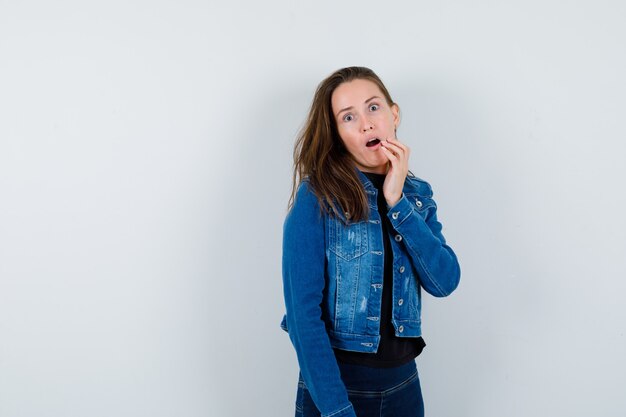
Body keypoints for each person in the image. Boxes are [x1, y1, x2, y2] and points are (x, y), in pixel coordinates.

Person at [280, 66, 461, 417]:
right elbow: (303, 319)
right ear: (337, 135)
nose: (366, 123)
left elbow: (444, 281)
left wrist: (398, 204)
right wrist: (336, 410)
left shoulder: (417, 195)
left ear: (393, 114)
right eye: (349, 117)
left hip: (405, 388)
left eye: (373, 107)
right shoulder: (317, 198)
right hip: (338, 391)